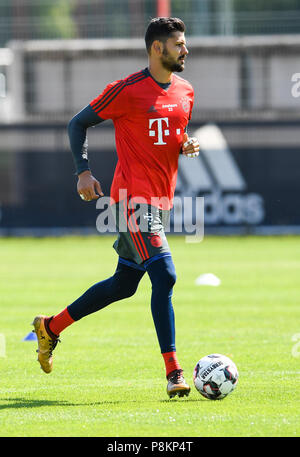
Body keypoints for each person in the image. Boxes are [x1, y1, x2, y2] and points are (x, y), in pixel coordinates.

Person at [32, 17, 200, 398]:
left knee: (124, 285)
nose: (185, 50)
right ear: (157, 48)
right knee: (166, 276)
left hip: (161, 202)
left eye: (184, 43)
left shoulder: (186, 91)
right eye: (178, 44)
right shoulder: (127, 90)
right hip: (132, 201)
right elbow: (78, 123)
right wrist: (83, 172)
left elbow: (170, 134)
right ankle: (174, 372)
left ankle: (51, 327)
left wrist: (184, 144)